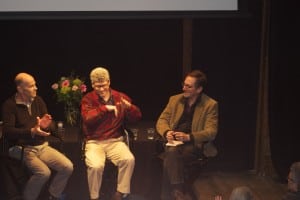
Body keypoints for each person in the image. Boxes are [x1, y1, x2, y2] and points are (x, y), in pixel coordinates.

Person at [1, 72, 74, 200]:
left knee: (67, 167)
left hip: (41, 146)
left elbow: (47, 122)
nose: (36, 88)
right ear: (20, 89)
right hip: (21, 147)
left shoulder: (38, 100)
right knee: (43, 173)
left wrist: (47, 125)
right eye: (31, 86)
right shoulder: (9, 105)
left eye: (35, 85)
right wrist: (31, 131)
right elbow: (8, 131)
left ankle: (53, 195)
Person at [81, 67, 142, 200]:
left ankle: (119, 193)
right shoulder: (88, 99)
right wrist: (104, 108)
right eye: (97, 87)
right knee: (96, 166)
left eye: (103, 85)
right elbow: (87, 119)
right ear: (92, 85)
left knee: (128, 159)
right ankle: (94, 197)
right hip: (94, 142)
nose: (101, 89)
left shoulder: (120, 97)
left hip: (115, 140)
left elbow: (137, 118)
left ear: (108, 82)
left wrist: (130, 108)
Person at [156, 69, 218, 200]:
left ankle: (174, 192)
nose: (184, 88)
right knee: (172, 152)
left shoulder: (210, 105)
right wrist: (167, 132)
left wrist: (189, 137)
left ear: (199, 89)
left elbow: (211, 132)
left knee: (169, 158)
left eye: (188, 86)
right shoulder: (174, 100)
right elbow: (162, 120)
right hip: (173, 142)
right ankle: (179, 192)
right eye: (184, 84)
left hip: (194, 145)